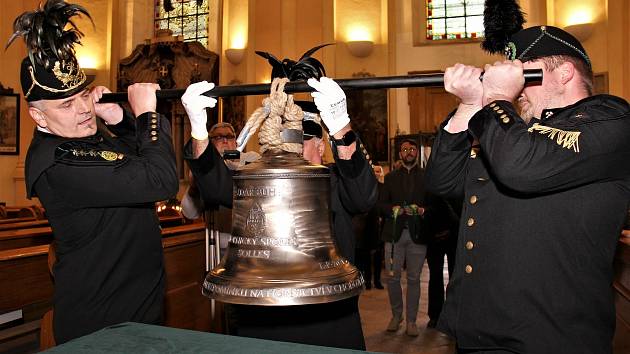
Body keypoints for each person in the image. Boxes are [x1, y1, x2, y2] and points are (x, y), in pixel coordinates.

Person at [425, 12, 630, 353]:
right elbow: (442, 181)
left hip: (551, 336)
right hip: (480, 331)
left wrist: (496, 100)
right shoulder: (512, 133)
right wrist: (468, 106)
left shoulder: (607, 119)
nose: (517, 86)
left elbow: (521, 167)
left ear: (564, 72)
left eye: (525, 72)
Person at [9, 0, 178, 343]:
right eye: (67, 104)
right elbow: (160, 179)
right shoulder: (57, 162)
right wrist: (146, 115)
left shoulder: (81, 136)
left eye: (83, 95)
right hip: (100, 324)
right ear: (38, 117)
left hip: (137, 312)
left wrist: (119, 118)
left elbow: (136, 159)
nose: (84, 109)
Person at [180, 77, 378, 349]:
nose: (286, 147)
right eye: (281, 139)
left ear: (320, 146)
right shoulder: (260, 179)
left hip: (328, 321)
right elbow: (215, 188)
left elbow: (364, 196)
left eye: (297, 140)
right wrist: (200, 131)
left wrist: (340, 126)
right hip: (262, 320)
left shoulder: (336, 180)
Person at [378, 138, 428, 337]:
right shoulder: (390, 178)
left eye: (412, 149)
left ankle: (412, 321)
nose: (408, 152)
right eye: (405, 149)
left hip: (417, 235)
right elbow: (379, 205)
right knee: (393, 278)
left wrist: (423, 210)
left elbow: (435, 204)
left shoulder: (426, 177)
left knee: (414, 279)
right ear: (400, 154)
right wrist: (392, 209)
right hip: (393, 235)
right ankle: (396, 316)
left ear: (417, 153)